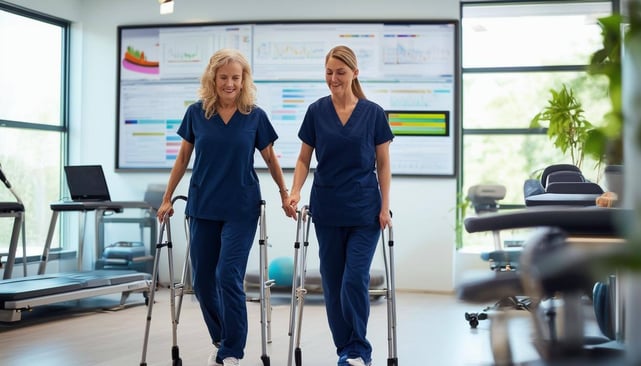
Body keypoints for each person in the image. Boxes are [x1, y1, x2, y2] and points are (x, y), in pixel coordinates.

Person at [156, 48, 289, 366]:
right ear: (213, 79)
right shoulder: (196, 113)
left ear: (244, 81)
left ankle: (232, 349)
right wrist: (166, 197)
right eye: (224, 77)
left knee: (228, 275)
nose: (230, 83)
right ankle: (221, 336)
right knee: (202, 281)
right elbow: (183, 158)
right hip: (202, 206)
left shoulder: (254, 116)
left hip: (241, 208)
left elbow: (270, 158)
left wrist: (285, 195)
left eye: (236, 77)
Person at [283, 45, 393, 366]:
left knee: (353, 278)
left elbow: (383, 164)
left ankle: (360, 348)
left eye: (340, 72)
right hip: (327, 209)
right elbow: (304, 159)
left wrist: (385, 206)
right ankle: (345, 349)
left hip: (364, 212)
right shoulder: (316, 111)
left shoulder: (373, 113)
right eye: (329, 72)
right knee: (332, 283)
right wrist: (294, 191)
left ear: (355, 73)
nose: (333, 79)